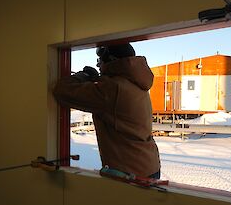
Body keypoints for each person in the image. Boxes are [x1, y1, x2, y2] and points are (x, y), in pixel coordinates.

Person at [53, 43, 161, 178]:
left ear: (112, 61)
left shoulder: (112, 90)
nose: (99, 66)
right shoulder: (136, 84)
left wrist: (83, 75)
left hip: (130, 170)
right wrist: (97, 79)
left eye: (100, 61)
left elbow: (63, 91)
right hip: (147, 164)